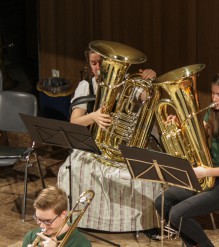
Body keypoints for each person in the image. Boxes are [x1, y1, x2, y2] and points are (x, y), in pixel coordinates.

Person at [57, 48, 161, 233]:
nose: (98, 68)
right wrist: (94, 117)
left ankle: (146, 222)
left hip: (127, 144)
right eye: (93, 63)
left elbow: (150, 102)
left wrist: (149, 82)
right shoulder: (86, 86)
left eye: (101, 63)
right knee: (75, 168)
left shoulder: (129, 83)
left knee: (144, 173)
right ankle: (82, 220)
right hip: (96, 145)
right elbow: (75, 122)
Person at [154, 70, 219, 247]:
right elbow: (197, 134)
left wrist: (207, 172)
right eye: (213, 93)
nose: (214, 98)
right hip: (209, 175)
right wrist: (178, 126)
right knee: (162, 202)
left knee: (177, 214)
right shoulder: (214, 112)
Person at [22, 186, 91, 247]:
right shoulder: (31, 236)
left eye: (47, 221)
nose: (42, 226)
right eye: (39, 219)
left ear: (63, 215)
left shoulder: (81, 243)